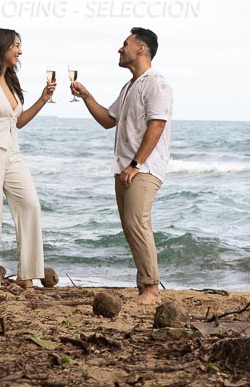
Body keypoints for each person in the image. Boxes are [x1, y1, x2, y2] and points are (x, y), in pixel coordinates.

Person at [70, 27, 173, 303]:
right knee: (130, 227)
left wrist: (136, 164)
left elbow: (157, 125)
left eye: (125, 44)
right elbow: (108, 119)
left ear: (141, 48)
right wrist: (86, 96)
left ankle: (151, 289)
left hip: (143, 168)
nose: (120, 48)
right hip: (125, 168)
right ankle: (145, 287)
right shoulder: (129, 87)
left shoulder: (156, 83)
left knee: (136, 222)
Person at [0, 28, 55, 289]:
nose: (20, 51)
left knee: (30, 205)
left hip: (13, 154)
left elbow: (18, 121)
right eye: (16, 45)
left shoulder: (9, 80)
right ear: (1, 47)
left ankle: (26, 275)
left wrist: (43, 99)